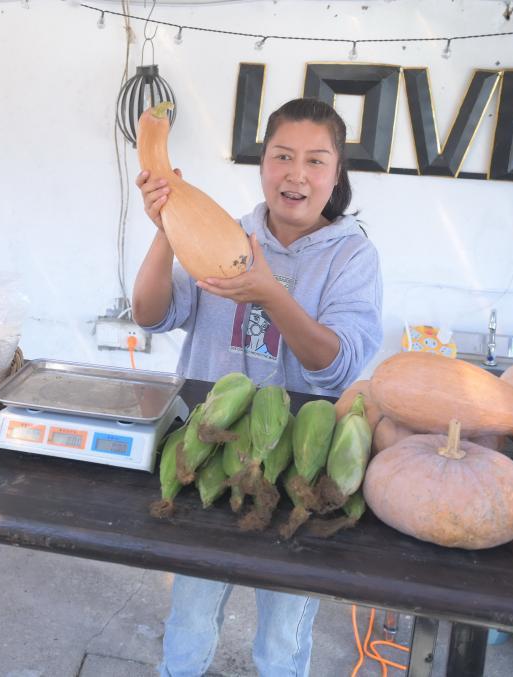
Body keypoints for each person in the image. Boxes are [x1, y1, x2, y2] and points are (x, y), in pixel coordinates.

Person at [132, 97, 383, 677]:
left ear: (337, 174)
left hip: (298, 464)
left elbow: (337, 367)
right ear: (263, 163)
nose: (297, 174)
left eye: (316, 160)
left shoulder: (352, 256)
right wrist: (166, 229)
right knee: (191, 613)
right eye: (282, 156)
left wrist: (271, 294)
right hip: (207, 449)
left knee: (283, 630)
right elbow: (150, 314)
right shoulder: (224, 232)